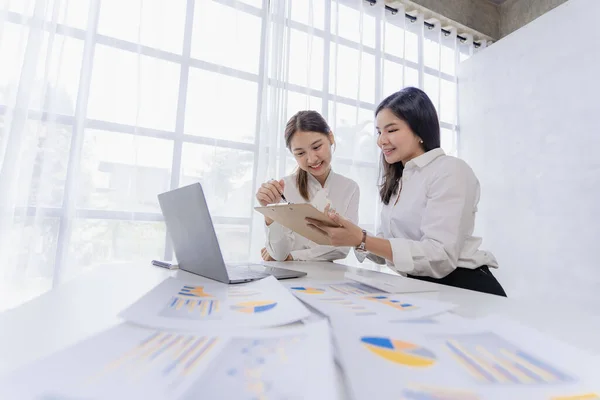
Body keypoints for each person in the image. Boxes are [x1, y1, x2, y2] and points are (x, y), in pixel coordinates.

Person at [306, 87, 506, 297]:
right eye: (379, 131)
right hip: (424, 289)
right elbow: (390, 248)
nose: (381, 140)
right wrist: (349, 234)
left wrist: (361, 239)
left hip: (467, 288)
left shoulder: (450, 170)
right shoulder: (399, 179)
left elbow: (440, 256)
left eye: (391, 130)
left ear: (420, 130)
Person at [256, 110, 360, 262]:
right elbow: (278, 255)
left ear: (330, 137)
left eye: (317, 147)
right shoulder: (284, 188)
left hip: (328, 276)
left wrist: (293, 256)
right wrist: (269, 213)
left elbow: (343, 248)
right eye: (300, 153)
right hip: (289, 277)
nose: (311, 159)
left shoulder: (349, 188)